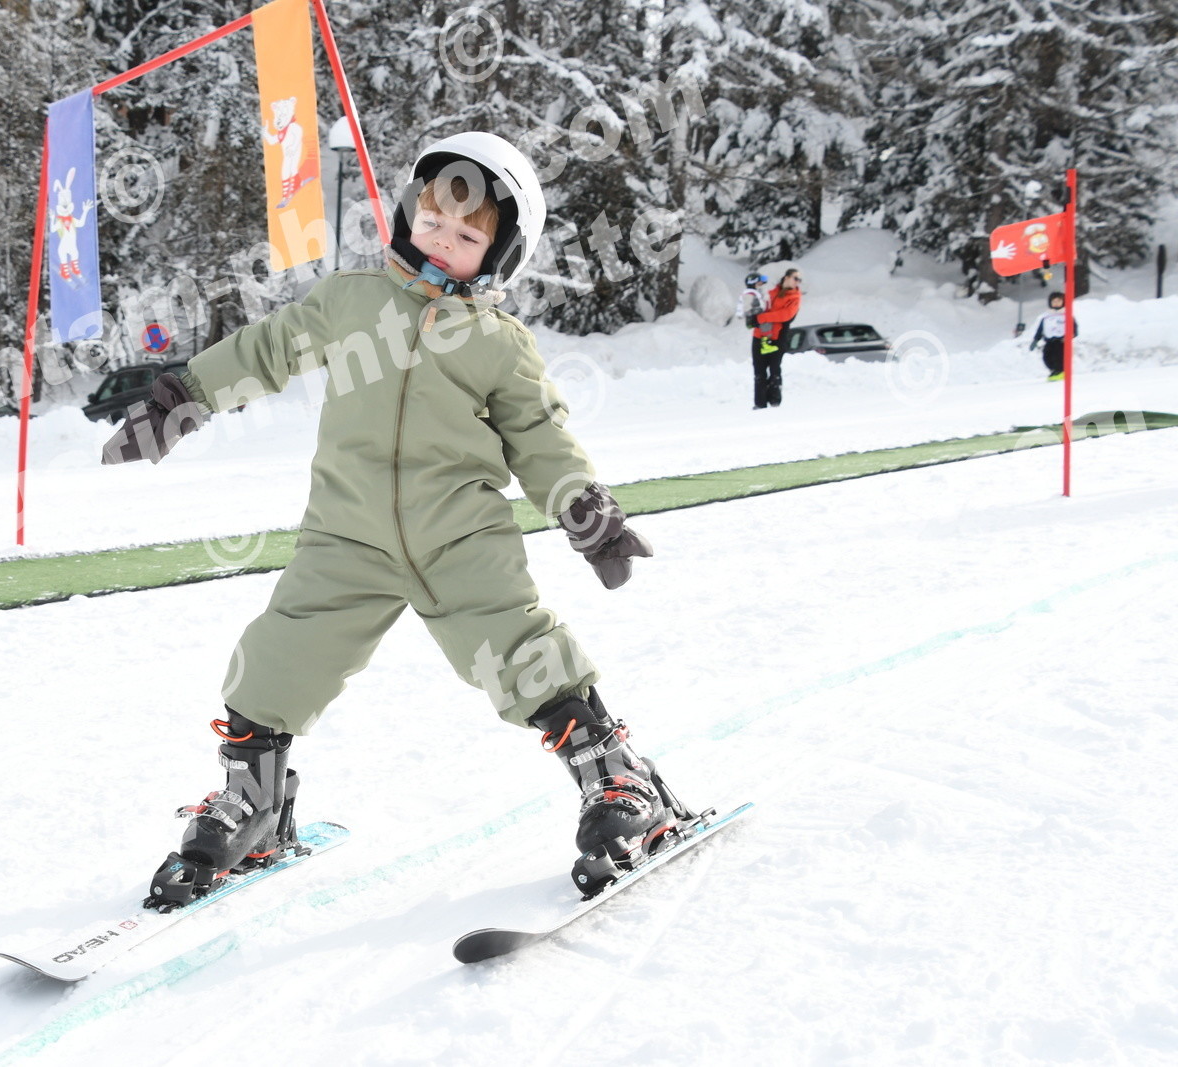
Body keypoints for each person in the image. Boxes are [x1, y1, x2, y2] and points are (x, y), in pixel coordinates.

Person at [101, 132, 693, 906]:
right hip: (345, 537)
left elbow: (541, 439)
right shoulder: (352, 301)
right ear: (408, 212)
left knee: (524, 657)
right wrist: (184, 395)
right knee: (276, 659)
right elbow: (267, 349)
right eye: (433, 220)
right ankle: (255, 804)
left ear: (502, 255)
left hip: (461, 540)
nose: (443, 240)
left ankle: (618, 779)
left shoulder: (499, 344)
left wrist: (589, 515)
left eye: (468, 236)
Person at [751, 268, 802, 409]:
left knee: (774, 369)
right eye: (795, 278)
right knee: (759, 370)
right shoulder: (771, 292)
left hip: (778, 336)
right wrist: (754, 315)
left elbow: (786, 315)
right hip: (760, 335)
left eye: (799, 280)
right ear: (786, 277)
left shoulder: (795, 297)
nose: (797, 282)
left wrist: (762, 318)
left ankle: (774, 401)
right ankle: (760, 403)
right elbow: (761, 307)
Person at [1029, 291, 1077, 382]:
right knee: (1046, 356)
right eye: (1054, 301)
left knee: (1059, 356)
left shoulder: (1066, 315)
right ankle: (1053, 370)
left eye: (1058, 301)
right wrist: (1035, 340)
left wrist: (1070, 336)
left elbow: (1073, 328)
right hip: (1049, 341)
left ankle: (1060, 371)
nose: (1056, 303)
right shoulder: (1046, 317)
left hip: (1061, 341)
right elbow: (1040, 329)